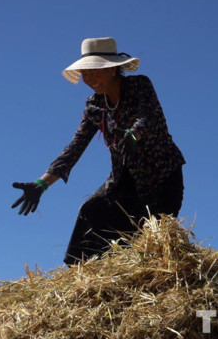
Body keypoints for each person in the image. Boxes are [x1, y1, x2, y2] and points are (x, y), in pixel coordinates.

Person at [12, 37, 185, 265]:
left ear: (112, 69)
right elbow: (75, 146)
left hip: (161, 176)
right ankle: (80, 276)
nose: (90, 79)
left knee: (153, 240)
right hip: (124, 180)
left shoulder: (139, 86)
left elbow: (149, 116)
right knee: (92, 211)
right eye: (85, 73)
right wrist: (42, 183)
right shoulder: (94, 106)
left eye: (95, 71)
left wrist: (134, 134)